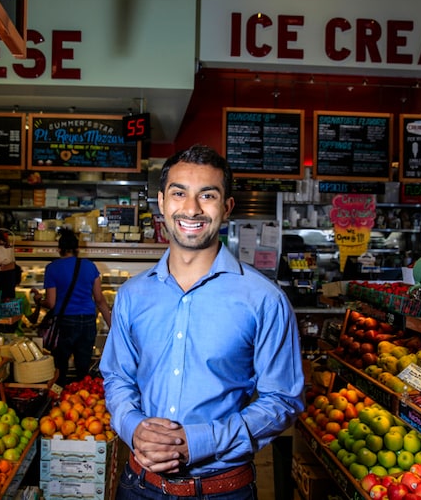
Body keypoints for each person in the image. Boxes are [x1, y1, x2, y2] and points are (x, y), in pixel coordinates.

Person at [99, 144, 305, 499]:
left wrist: (197, 441)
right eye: (179, 193)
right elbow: (117, 377)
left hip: (222, 490)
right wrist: (133, 428)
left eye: (206, 195)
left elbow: (282, 400)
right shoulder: (132, 295)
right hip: (138, 486)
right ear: (162, 202)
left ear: (226, 207)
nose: (191, 209)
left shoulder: (264, 299)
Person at [32, 228, 112, 386]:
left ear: (59, 249)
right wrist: (113, 326)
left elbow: (51, 303)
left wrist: (38, 300)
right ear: (77, 249)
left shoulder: (52, 268)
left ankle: (59, 398)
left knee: (60, 368)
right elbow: (100, 300)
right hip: (88, 322)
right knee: (83, 368)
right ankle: (82, 397)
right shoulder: (90, 266)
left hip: (65, 323)